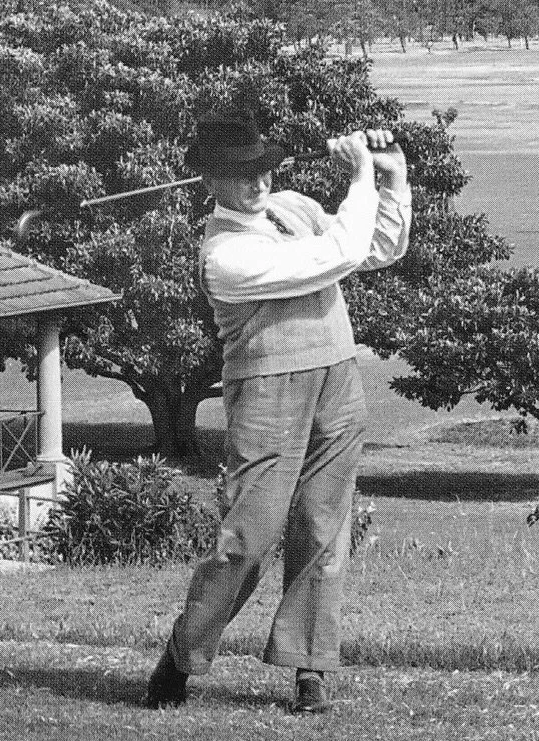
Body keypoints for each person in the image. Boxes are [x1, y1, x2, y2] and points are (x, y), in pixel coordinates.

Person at [145, 115, 410, 714]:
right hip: (268, 392)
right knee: (248, 539)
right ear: (211, 181)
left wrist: (391, 182)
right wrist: (361, 173)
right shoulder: (226, 255)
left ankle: (310, 667)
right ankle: (185, 653)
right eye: (240, 174)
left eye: (264, 166)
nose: (258, 181)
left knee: (323, 527)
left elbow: (376, 247)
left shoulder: (292, 206)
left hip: (337, 377)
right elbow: (337, 254)